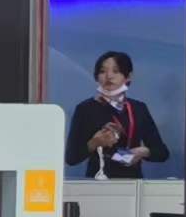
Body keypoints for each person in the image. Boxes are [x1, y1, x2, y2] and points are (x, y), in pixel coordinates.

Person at [65, 50, 169, 179]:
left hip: (133, 184)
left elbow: (162, 153)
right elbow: (71, 158)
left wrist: (143, 152)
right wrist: (94, 142)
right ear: (96, 77)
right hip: (97, 183)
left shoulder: (139, 108)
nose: (109, 76)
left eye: (116, 71)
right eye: (103, 71)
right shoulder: (85, 109)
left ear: (128, 77)